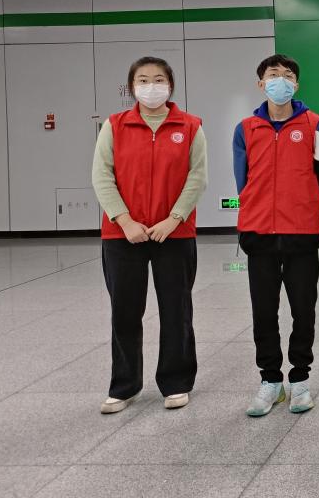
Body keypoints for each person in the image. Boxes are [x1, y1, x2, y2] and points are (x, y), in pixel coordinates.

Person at [91, 56, 207, 414]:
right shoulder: (115, 125)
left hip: (175, 234)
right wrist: (125, 220)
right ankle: (124, 386)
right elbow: (101, 176)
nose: (151, 86)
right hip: (122, 236)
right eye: (143, 80)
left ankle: (176, 382)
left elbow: (197, 177)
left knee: (176, 309)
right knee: (125, 311)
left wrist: (173, 219)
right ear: (131, 87)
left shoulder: (190, 126)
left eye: (159, 79)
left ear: (170, 85)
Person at [233, 54, 319, 417]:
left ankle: (300, 379)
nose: (281, 80)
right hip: (259, 234)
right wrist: (258, 209)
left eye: (288, 75)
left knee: (303, 310)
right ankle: (271, 381)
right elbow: (243, 179)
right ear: (260, 83)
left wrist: (308, 209)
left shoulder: (316, 125)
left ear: (297, 84)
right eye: (273, 74)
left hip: (301, 235)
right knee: (264, 311)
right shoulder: (245, 129)